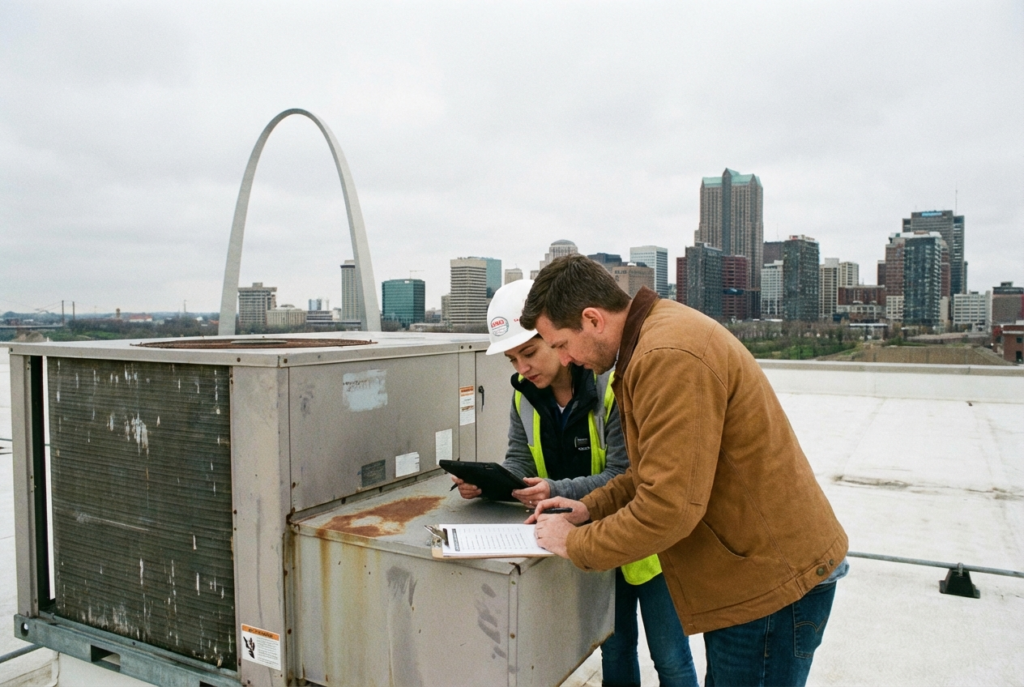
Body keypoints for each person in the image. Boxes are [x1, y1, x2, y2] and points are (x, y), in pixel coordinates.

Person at [521, 255, 849, 687]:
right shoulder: (653, 342)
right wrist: (589, 507)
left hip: (771, 588)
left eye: (561, 344)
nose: (564, 359)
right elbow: (655, 474)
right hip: (752, 576)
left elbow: (667, 508)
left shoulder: (667, 356)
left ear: (592, 319)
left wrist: (576, 542)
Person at [452, 279, 698, 687]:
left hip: (646, 549)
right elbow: (520, 462)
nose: (522, 369)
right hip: (585, 541)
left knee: (670, 656)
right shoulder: (524, 397)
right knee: (613, 646)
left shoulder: (613, 387)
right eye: (512, 360)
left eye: (529, 352)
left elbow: (624, 475)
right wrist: (492, 482)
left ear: (555, 336)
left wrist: (554, 489)